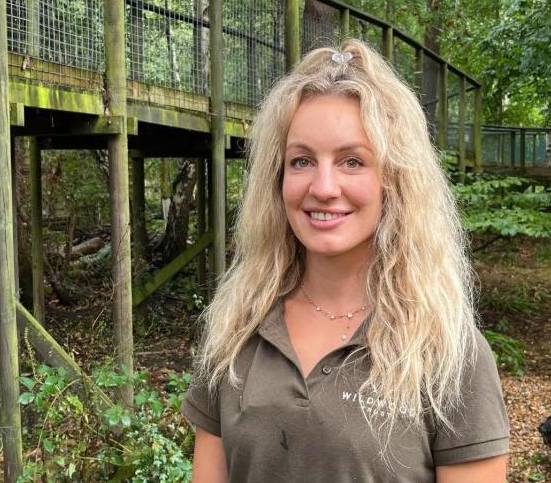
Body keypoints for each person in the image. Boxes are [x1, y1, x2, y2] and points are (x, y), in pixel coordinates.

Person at [182, 39, 510, 482]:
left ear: (393, 179)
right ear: (277, 178)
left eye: (352, 161)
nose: (323, 186)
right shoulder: (236, 328)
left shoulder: (447, 351)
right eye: (301, 161)